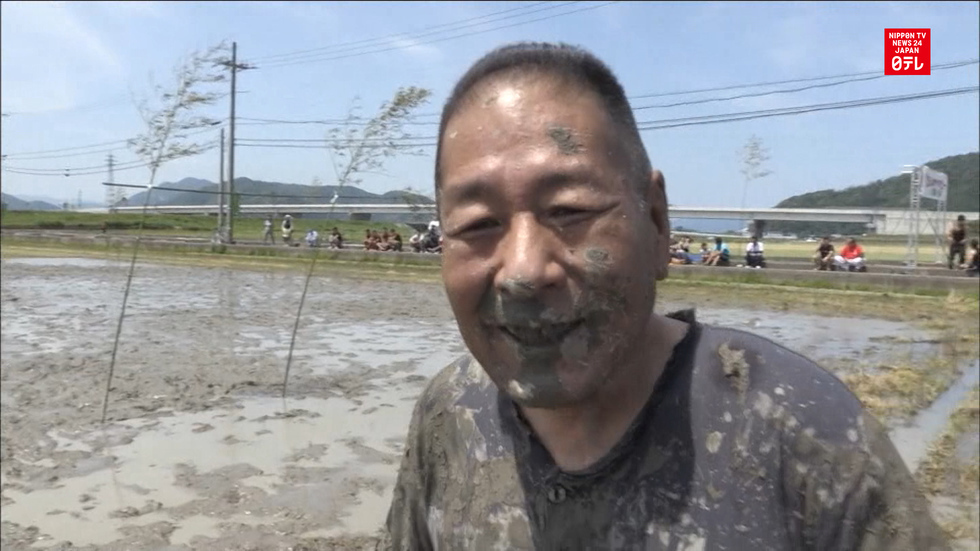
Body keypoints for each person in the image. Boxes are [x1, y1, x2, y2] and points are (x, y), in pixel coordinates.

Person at [381, 42, 946, 550]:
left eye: (570, 211)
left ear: (656, 222)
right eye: (479, 223)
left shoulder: (803, 432)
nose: (523, 272)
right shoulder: (448, 413)